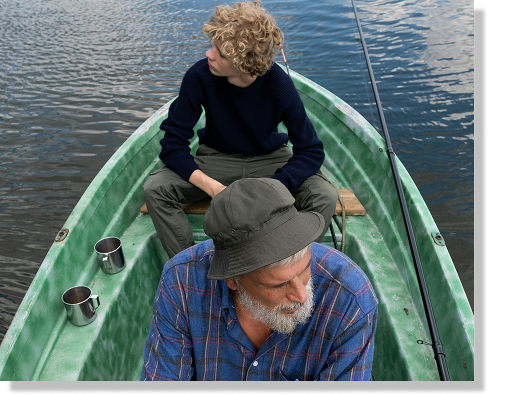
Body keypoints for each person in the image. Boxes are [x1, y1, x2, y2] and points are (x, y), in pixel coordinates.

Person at [143, 0, 339, 258]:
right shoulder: (199, 76)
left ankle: (293, 264)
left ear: (245, 64)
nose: (209, 54)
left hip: (269, 160)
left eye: (221, 53)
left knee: (324, 195)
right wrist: (214, 188)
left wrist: (272, 188)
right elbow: (173, 145)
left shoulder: (278, 85)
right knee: (155, 188)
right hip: (216, 158)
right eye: (213, 45)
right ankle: (191, 266)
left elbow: (310, 150)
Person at [141, 178, 378, 381]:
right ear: (233, 280)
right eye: (278, 284)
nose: (301, 295)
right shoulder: (181, 281)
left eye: (305, 270)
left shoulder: (350, 298)